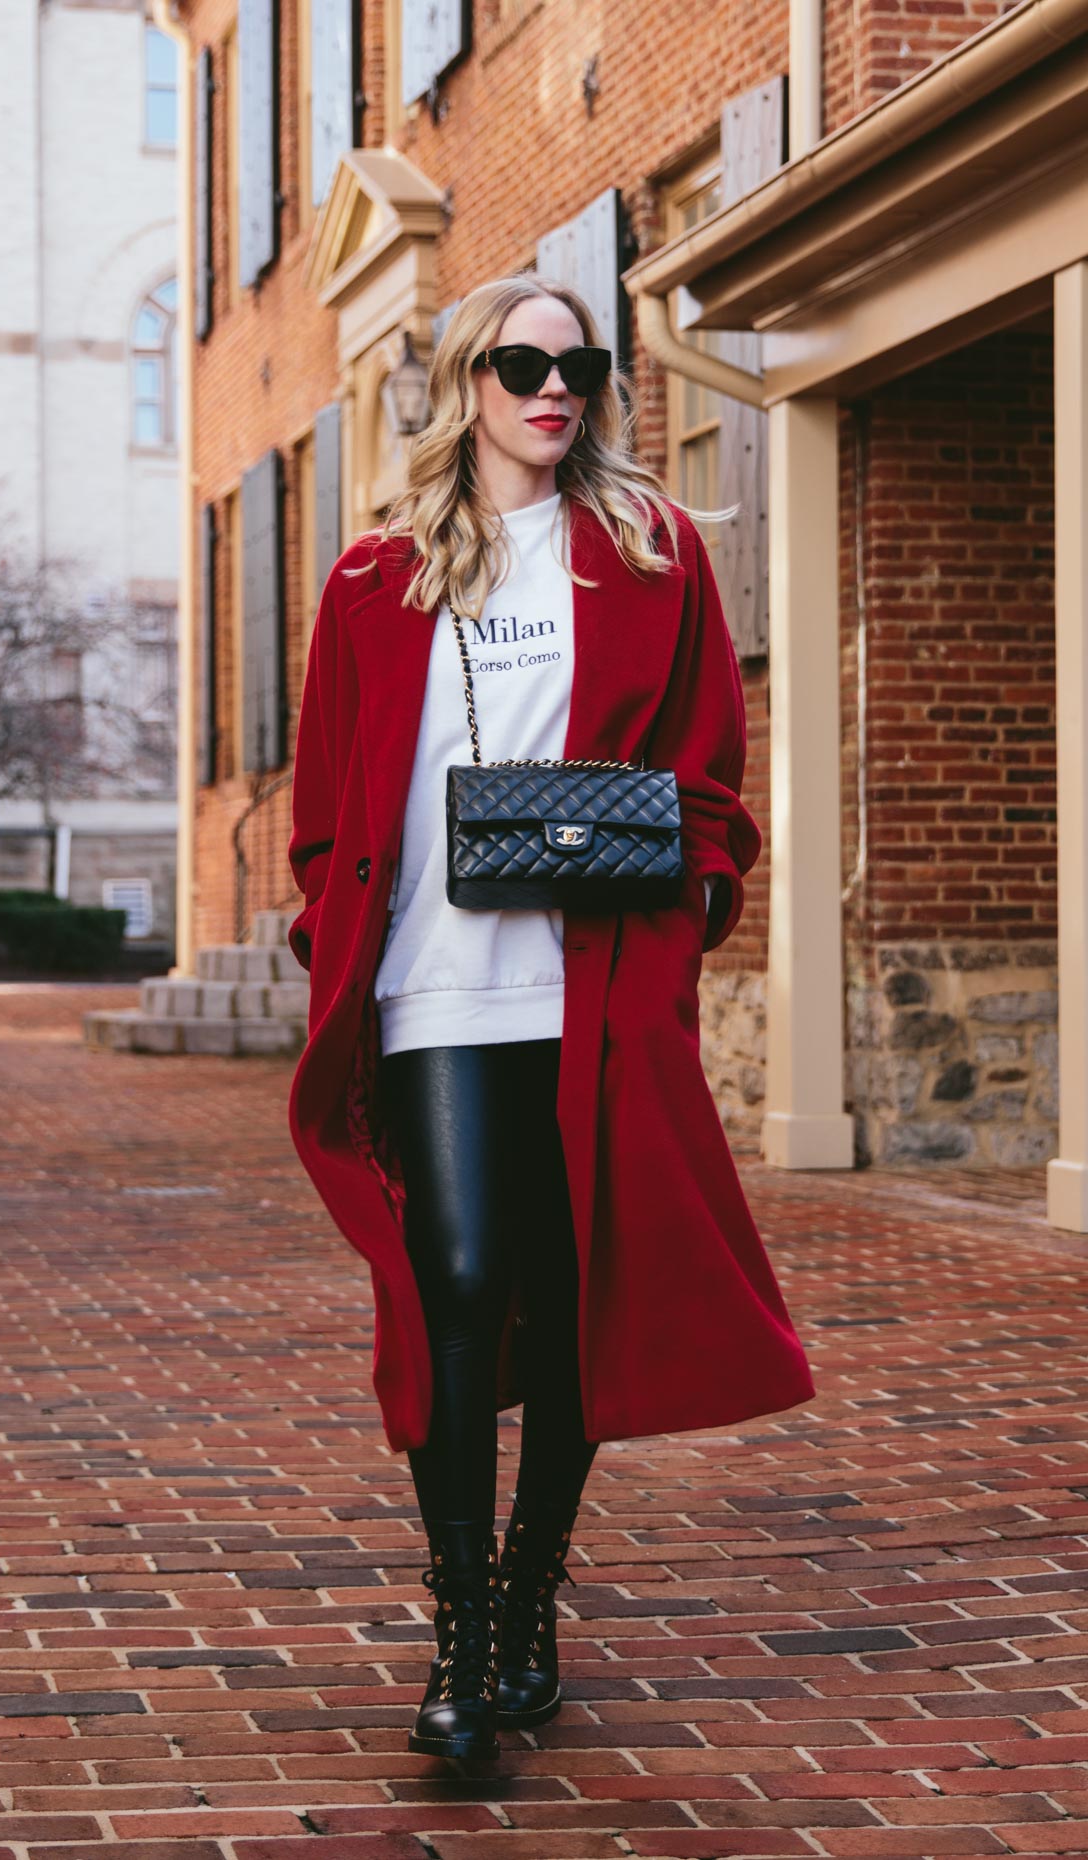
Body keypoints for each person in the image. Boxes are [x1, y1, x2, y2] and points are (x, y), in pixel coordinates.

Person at [285, 275, 815, 1764]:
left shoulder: (650, 554)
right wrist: (336, 923)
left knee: (574, 1292)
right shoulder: (375, 577)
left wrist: (689, 902)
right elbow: (331, 806)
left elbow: (710, 771)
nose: (554, 386)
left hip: (591, 984)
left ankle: (527, 1600)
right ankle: (457, 1637)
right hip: (434, 984)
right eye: (522, 361)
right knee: (455, 1284)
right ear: (465, 382)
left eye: (578, 363)